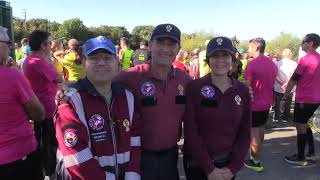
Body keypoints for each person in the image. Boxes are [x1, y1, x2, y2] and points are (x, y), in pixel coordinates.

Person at [54, 36, 141, 180]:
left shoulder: (127, 97)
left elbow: (135, 140)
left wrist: (132, 175)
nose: (101, 63)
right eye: (94, 58)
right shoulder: (70, 102)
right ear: (83, 62)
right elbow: (76, 157)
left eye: (107, 58)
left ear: (117, 63)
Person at [113, 23, 192, 180]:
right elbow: (99, 86)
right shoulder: (129, 76)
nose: (165, 49)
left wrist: (241, 89)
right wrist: (67, 90)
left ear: (178, 49)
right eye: (160, 43)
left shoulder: (185, 80)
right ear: (150, 45)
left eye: (171, 44)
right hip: (138, 157)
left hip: (171, 157)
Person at [183, 37, 251, 180]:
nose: (221, 60)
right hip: (197, 164)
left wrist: (233, 168)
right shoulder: (194, 88)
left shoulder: (242, 90)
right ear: (208, 60)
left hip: (227, 166)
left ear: (232, 60)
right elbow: (191, 131)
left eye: (225, 55)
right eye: (215, 56)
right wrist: (209, 169)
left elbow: (245, 132)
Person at [0, 26, 45, 180]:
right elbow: (39, 114)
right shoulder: (12, 76)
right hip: (18, 157)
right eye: (8, 42)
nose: (11, 46)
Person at [23, 29, 64, 178]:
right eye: (48, 44)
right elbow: (59, 78)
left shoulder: (29, 59)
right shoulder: (39, 62)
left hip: (40, 107)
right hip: (47, 109)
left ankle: (46, 170)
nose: (50, 47)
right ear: (43, 45)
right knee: (50, 145)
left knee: (43, 143)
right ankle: (51, 173)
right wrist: (49, 61)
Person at [283, 33, 320, 165]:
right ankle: (310, 153)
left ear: (310, 43)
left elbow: (294, 79)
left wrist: (285, 95)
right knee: (307, 124)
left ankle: (300, 157)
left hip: (305, 99)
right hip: (316, 99)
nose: (301, 44)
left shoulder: (306, 59)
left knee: (300, 126)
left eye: (303, 41)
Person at [244, 37, 277, 172]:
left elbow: (246, 86)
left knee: (254, 133)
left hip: (254, 104)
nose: (248, 50)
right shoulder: (272, 64)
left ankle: (256, 162)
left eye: (250, 47)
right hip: (266, 103)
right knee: (260, 129)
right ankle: (255, 155)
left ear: (256, 48)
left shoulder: (252, 64)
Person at [273, 49, 297, 122]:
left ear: (283, 54)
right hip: (290, 87)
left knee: (277, 102)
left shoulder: (277, 64)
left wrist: (282, 83)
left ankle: (277, 117)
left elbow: (275, 75)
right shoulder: (294, 64)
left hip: (278, 87)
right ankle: (285, 117)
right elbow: (294, 76)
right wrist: (287, 83)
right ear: (290, 55)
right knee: (288, 103)